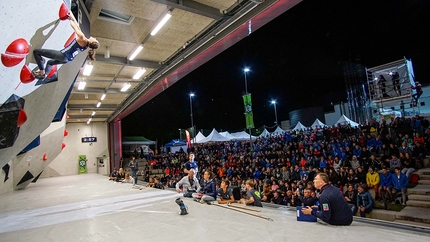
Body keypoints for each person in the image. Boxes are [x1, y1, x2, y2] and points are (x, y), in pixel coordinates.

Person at [32, 12, 99, 79]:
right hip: (67, 60)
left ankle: (42, 73)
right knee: (50, 62)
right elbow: (79, 29)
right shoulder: (86, 45)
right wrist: (73, 19)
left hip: (63, 55)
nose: (94, 38)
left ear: (92, 42)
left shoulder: (82, 38)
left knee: (36, 52)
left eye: (95, 40)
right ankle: (45, 75)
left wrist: (70, 19)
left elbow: (75, 28)